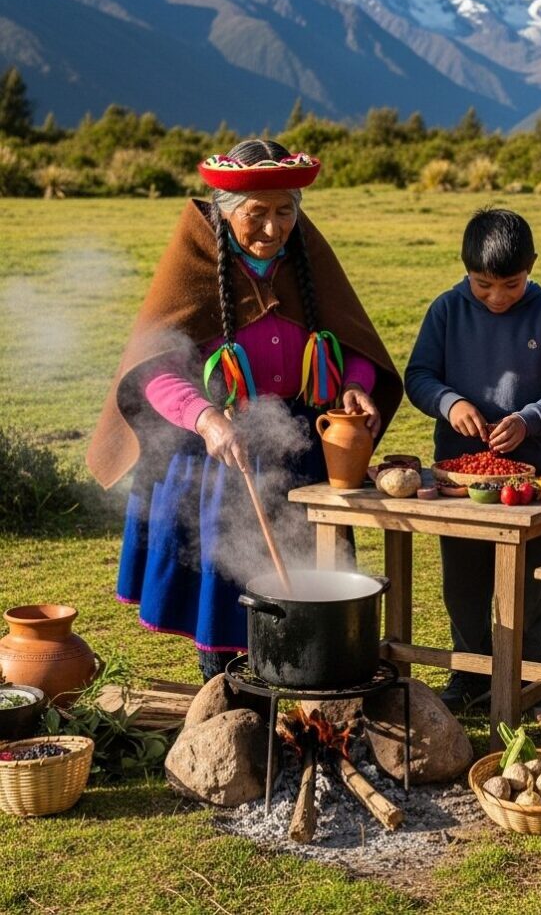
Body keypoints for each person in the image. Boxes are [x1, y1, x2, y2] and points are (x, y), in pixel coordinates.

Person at [87, 139, 403, 680]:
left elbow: (356, 347)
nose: (273, 228)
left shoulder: (307, 258)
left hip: (300, 448)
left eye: (285, 212)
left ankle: (307, 690)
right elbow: (154, 371)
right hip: (215, 453)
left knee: (309, 581)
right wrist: (206, 418)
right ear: (226, 211)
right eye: (257, 214)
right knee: (225, 583)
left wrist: (353, 385)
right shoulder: (194, 263)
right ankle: (226, 695)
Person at [405, 207, 541, 711]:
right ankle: (469, 670)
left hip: (529, 478)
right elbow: (418, 375)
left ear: (532, 266)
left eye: (510, 284)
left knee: (530, 578)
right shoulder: (446, 310)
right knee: (463, 579)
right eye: (483, 285)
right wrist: (450, 403)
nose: (497, 297)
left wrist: (529, 420)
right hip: (456, 475)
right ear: (466, 270)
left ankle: (532, 671)